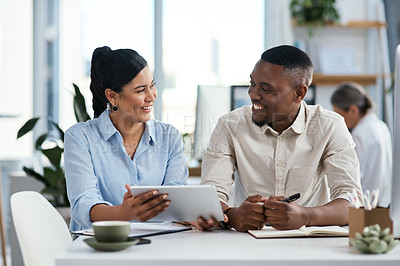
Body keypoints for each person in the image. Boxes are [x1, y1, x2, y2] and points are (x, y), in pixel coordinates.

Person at [196, 45, 363, 232]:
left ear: (299, 93)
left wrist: (305, 216)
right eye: (252, 84)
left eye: (266, 89)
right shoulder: (229, 125)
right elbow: (209, 196)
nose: (253, 94)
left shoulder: (330, 126)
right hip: (247, 243)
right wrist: (232, 215)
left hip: (309, 244)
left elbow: (353, 203)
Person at [64, 46, 188, 231]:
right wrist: (124, 213)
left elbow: (175, 197)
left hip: (159, 245)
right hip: (101, 247)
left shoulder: (169, 137)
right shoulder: (80, 137)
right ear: (112, 96)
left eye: (152, 85)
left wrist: (191, 215)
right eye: (140, 90)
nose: (151, 96)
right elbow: (83, 203)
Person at [331, 82, 392, 207]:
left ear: (353, 110)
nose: (339, 119)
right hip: (384, 201)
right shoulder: (381, 126)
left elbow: (353, 175)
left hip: (364, 204)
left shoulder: (359, 135)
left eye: (339, 114)